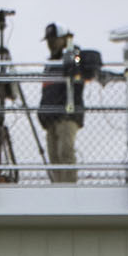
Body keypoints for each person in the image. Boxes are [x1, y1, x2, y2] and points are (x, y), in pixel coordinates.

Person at [39, 24, 88, 183]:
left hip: (67, 114)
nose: (50, 43)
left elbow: (77, 62)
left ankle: (69, 188)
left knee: (65, 152)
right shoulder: (50, 64)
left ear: (62, 39)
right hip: (51, 116)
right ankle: (58, 188)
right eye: (49, 40)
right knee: (54, 156)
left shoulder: (73, 54)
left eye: (54, 39)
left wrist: (71, 48)